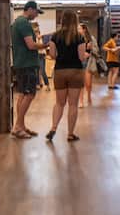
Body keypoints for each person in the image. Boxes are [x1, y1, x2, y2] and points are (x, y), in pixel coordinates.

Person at [46, 10, 88, 142]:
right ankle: (70, 134)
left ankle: (53, 128)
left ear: (62, 20)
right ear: (75, 21)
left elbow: (52, 55)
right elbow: (81, 57)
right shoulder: (80, 37)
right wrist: (87, 54)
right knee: (73, 105)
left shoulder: (55, 36)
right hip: (75, 71)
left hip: (60, 71)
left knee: (59, 103)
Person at [10, 1, 49, 139]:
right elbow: (31, 45)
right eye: (36, 12)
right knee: (29, 95)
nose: (37, 15)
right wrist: (46, 45)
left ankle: (20, 126)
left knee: (22, 94)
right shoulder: (24, 23)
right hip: (27, 64)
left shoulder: (19, 22)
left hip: (22, 64)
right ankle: (18, 127)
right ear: (30, 9)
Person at [79, 23, 100, 108]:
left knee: (88, 83)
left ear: (84, 29)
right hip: (79, 62)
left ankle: (89, 96)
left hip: (89, 62)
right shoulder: (76, 38)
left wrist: (90, 49)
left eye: (79, 28)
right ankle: (81, 101)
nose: (78, 30)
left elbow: (97, 50)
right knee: (80, 83)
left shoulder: (91, 39)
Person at [33, 24, 50, 91]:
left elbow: (45, 46)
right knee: (36, 71)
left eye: (37, 31)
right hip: (36, 55)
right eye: (35, 31)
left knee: (42, 70)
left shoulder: (43, 38)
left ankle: (47, 85)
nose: (36, 33)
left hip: (41, 55)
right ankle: (37, 84)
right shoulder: (34, 39)